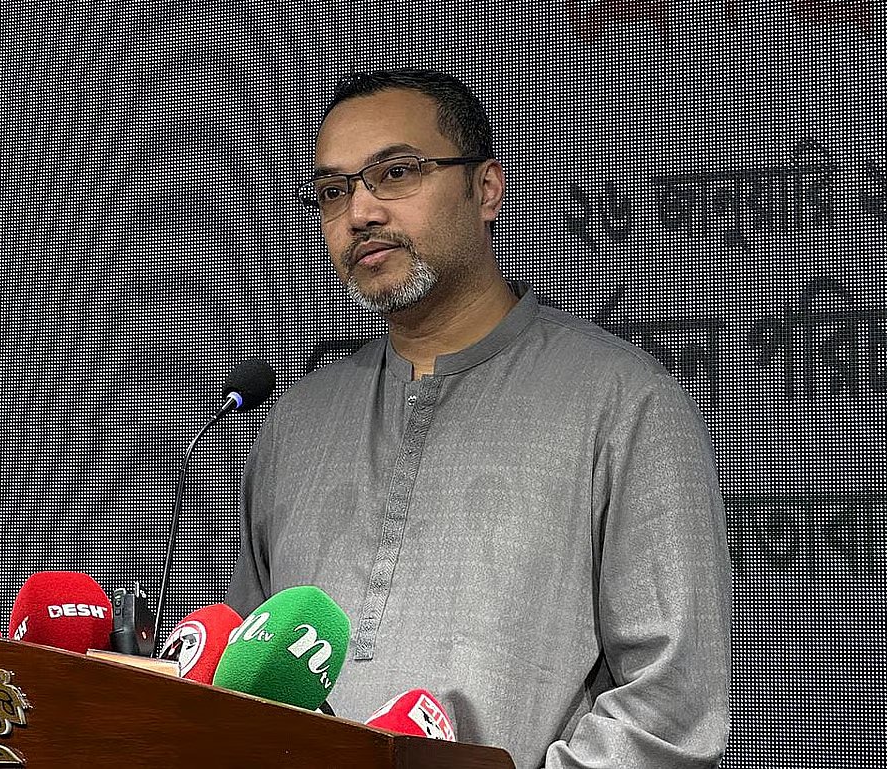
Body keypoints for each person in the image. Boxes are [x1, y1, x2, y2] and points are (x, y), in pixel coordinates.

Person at [226, 68, 731, 769]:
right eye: (332, 191)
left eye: (395, 172)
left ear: (485, 189)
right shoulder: (296, 425)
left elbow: (669, 710)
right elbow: (243, 689)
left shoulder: (624, 403)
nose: (361, 212)